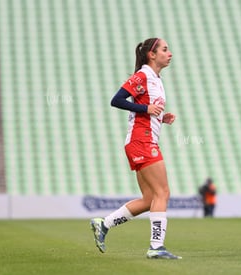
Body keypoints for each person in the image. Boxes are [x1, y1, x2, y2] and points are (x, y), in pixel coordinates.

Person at [90, 38, 181, 259]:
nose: (169, 53)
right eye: (165, 50)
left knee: (150, 198)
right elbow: (117, 100)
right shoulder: (144, 75)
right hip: (142, 141)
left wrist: (160, 117)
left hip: (142, 140)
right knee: (163, 192)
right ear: (152, 54)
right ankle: (156, 247)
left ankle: (104, 223)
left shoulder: (156, 79)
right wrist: (146, 108)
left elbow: (146, 111)